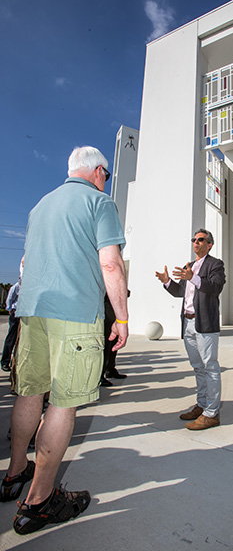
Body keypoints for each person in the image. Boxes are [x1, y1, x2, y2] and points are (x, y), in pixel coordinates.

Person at [0, 146, 129, 536]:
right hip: (73, 314)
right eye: (104, 173)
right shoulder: (99, 202)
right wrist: (121, 316)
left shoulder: (41, 205)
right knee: (64, 402)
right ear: (97, 171)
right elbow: (110, 263)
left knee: (29, 393)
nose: (105, 178)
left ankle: (14, 473)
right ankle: (39, 501)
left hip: (32, 312)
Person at [156, 229, 225, 430]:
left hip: (205, 324)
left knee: (210, 366)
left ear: (209, 244)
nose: (196, 242)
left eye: (200, 239)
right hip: (187, 324)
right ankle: (202, 405)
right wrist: (167, 281)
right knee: (198, 367)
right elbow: (180, 292)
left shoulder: (215, 264)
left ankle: (212, 413)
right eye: (194, 239)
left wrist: (193, 277)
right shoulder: (190, 266)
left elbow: (215, 287)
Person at [1, 279, 21, 372]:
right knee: (11, 338)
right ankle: (5, 362)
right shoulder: (17, 286)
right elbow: (9, 298)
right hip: (16, 313)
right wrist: (9, 309)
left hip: (25, 315)